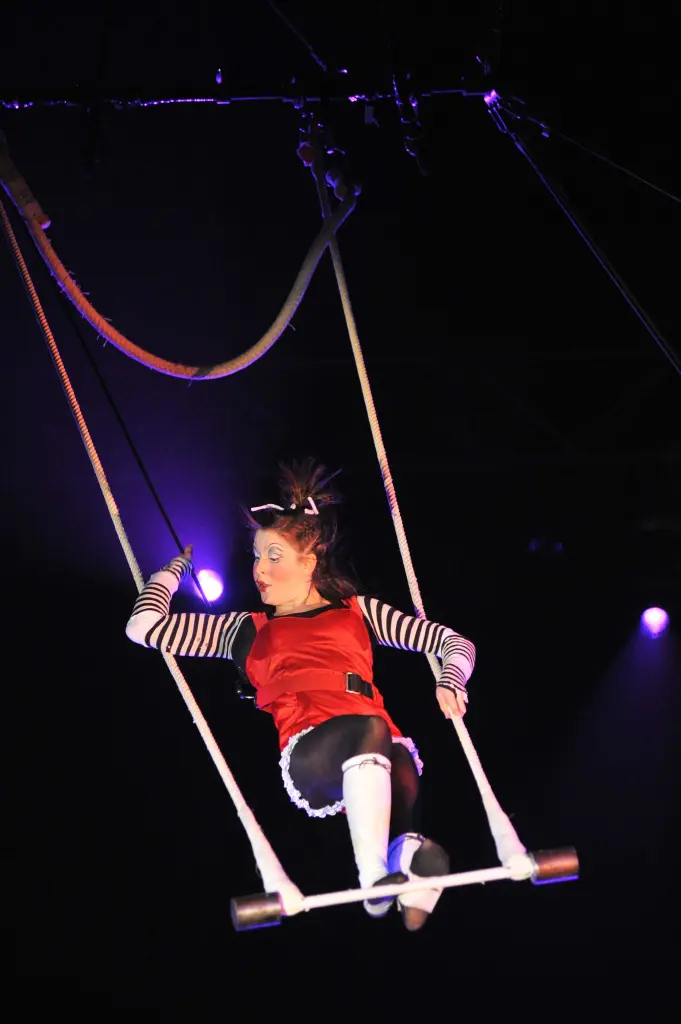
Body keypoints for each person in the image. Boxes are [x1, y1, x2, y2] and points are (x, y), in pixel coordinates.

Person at [126, 460, 476, 931]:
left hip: (378, 749)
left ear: (309, 561)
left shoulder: (359, 612)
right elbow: (144, 628)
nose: (259, 570)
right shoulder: (243, 629)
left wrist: (451, 679)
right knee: (372, 732)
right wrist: (174, 570)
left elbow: (454, 643)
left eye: (273, 555)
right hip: (310, 753)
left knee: (400, 755)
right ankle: (373, 879)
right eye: (255, 556)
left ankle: (408, 862)